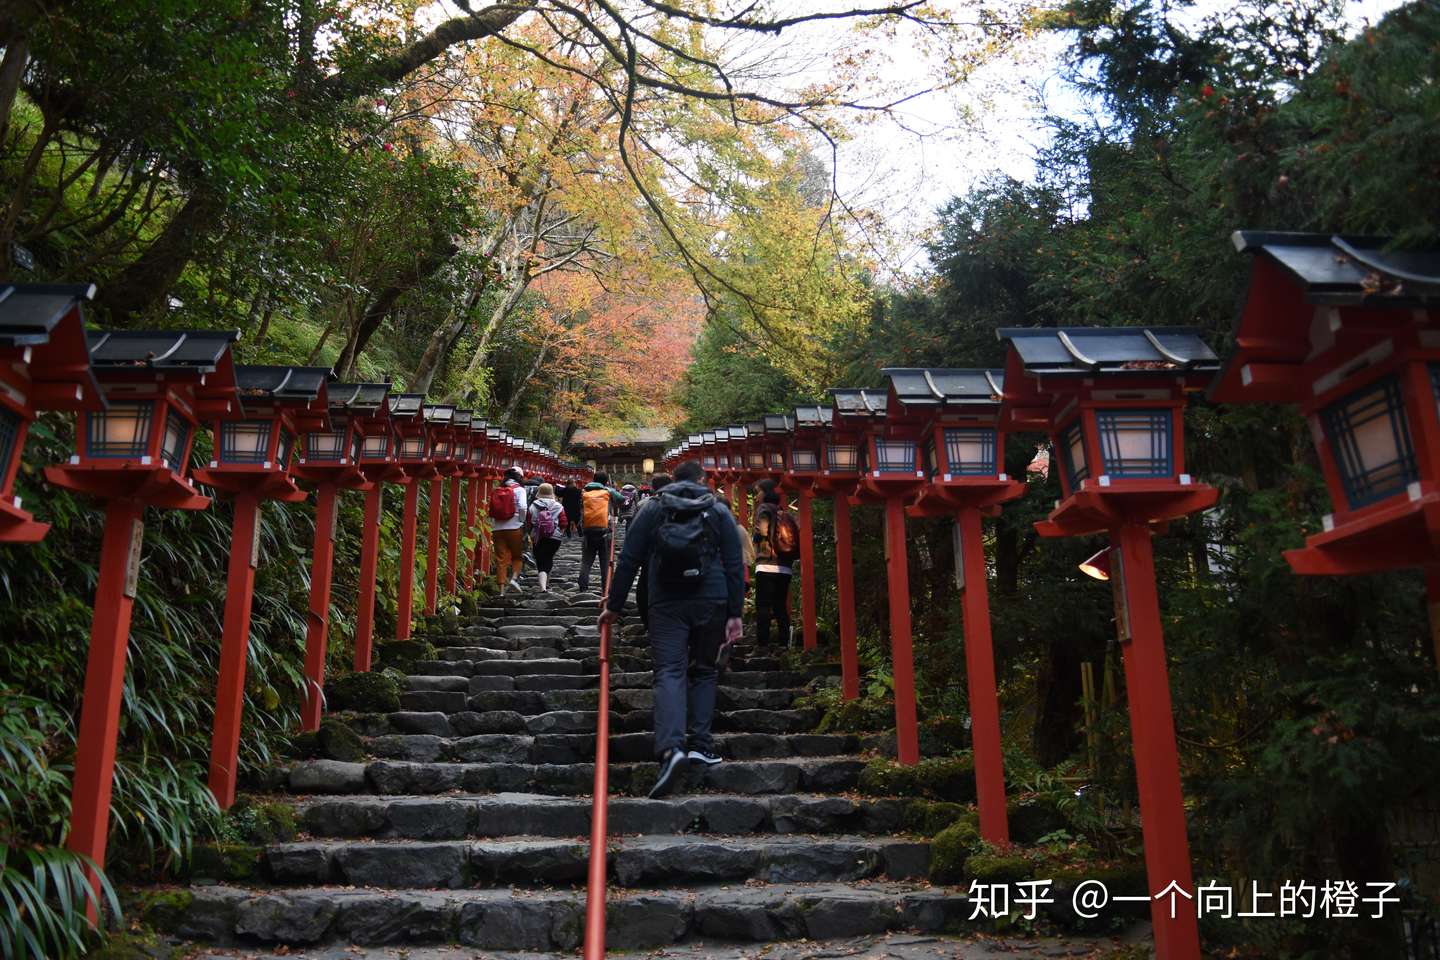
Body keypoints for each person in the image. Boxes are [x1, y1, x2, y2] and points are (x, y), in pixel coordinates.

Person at [600, 459, 744, 798]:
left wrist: (614, 606)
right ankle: (701, 745)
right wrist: (735, 613)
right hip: (713, 598)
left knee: (669, 672)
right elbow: (734, 563)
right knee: (706, 671)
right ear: (702, 480)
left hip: (665, 600)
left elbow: (629, 559)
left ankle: (671, 749)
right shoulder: (717, 510)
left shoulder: (652, 508)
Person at [751, 481, 800, 647]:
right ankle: (784, 642)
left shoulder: (764, 508)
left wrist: (756, 539)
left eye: (757, 492)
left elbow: (762, 531)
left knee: (763, 605)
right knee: (780, 605)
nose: (756, 497)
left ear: (764, 493)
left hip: (766, 563)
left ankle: (762, 644)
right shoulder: (783, 512)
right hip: (784, 566)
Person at [633, 473, 671, 628]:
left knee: (645, 585)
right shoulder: (687, 502)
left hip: (650, 553)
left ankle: (649, 621)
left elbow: (635, 532)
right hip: (677, 553)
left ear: (653, 488)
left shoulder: (644, 504)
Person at [578, 472, 624, 597]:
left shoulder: (584, 492)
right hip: (605, 531)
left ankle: (583, 587)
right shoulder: (607, 491)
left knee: (586, 561)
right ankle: (606, 589)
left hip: (588, 531)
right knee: (605, 561)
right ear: (606, 482)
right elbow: (622, 499)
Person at [489, 467, 529, 593]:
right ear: (520, 477)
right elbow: (523, 506)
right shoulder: (520, 490)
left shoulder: (497, 490)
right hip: (514, 528)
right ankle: (513, 579)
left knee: (501, 559)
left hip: (497, 528)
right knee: (517, 556)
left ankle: (501, 590)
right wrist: (521, 520)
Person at [526, 483, 566, 592]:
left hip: (538, 537)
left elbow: (528, 523)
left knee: (541, 560)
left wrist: (530, 534)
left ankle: (543, 586)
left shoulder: (533, 505)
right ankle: (546, 583)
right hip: (555, 537)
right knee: (549, 558)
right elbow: (563, 522)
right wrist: (560, 533)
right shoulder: (558, 506)